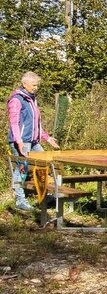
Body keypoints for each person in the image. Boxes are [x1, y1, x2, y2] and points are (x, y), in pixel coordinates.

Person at [7, 72, 60, 211]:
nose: (36, 88)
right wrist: (19, 142)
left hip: (34, 141)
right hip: (22, 141)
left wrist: (47, 138)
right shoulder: (17, 100)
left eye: (37, 85)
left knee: (44, 165)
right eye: (34, 85)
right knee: (22, 169)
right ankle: (20, 199)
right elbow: (14, 123)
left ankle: (45, 195)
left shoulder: (32, 99)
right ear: (25, 84)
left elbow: (36, 124)